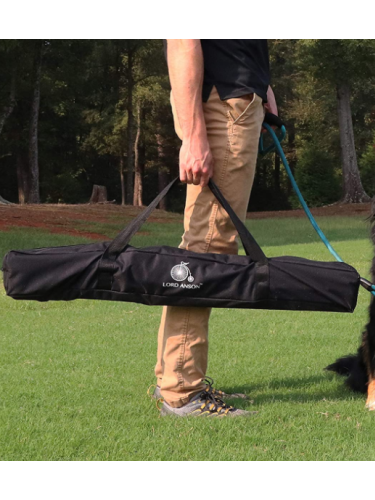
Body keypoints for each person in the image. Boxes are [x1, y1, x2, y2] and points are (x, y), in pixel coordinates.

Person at [153, 40, 277, 417]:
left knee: (204, 249)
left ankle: (174, 380)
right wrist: (193, 137)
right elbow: (183, 39)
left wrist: (263, 87)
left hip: (237, 101)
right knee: (206, 252)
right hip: (224, 107)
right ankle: (182, 392)